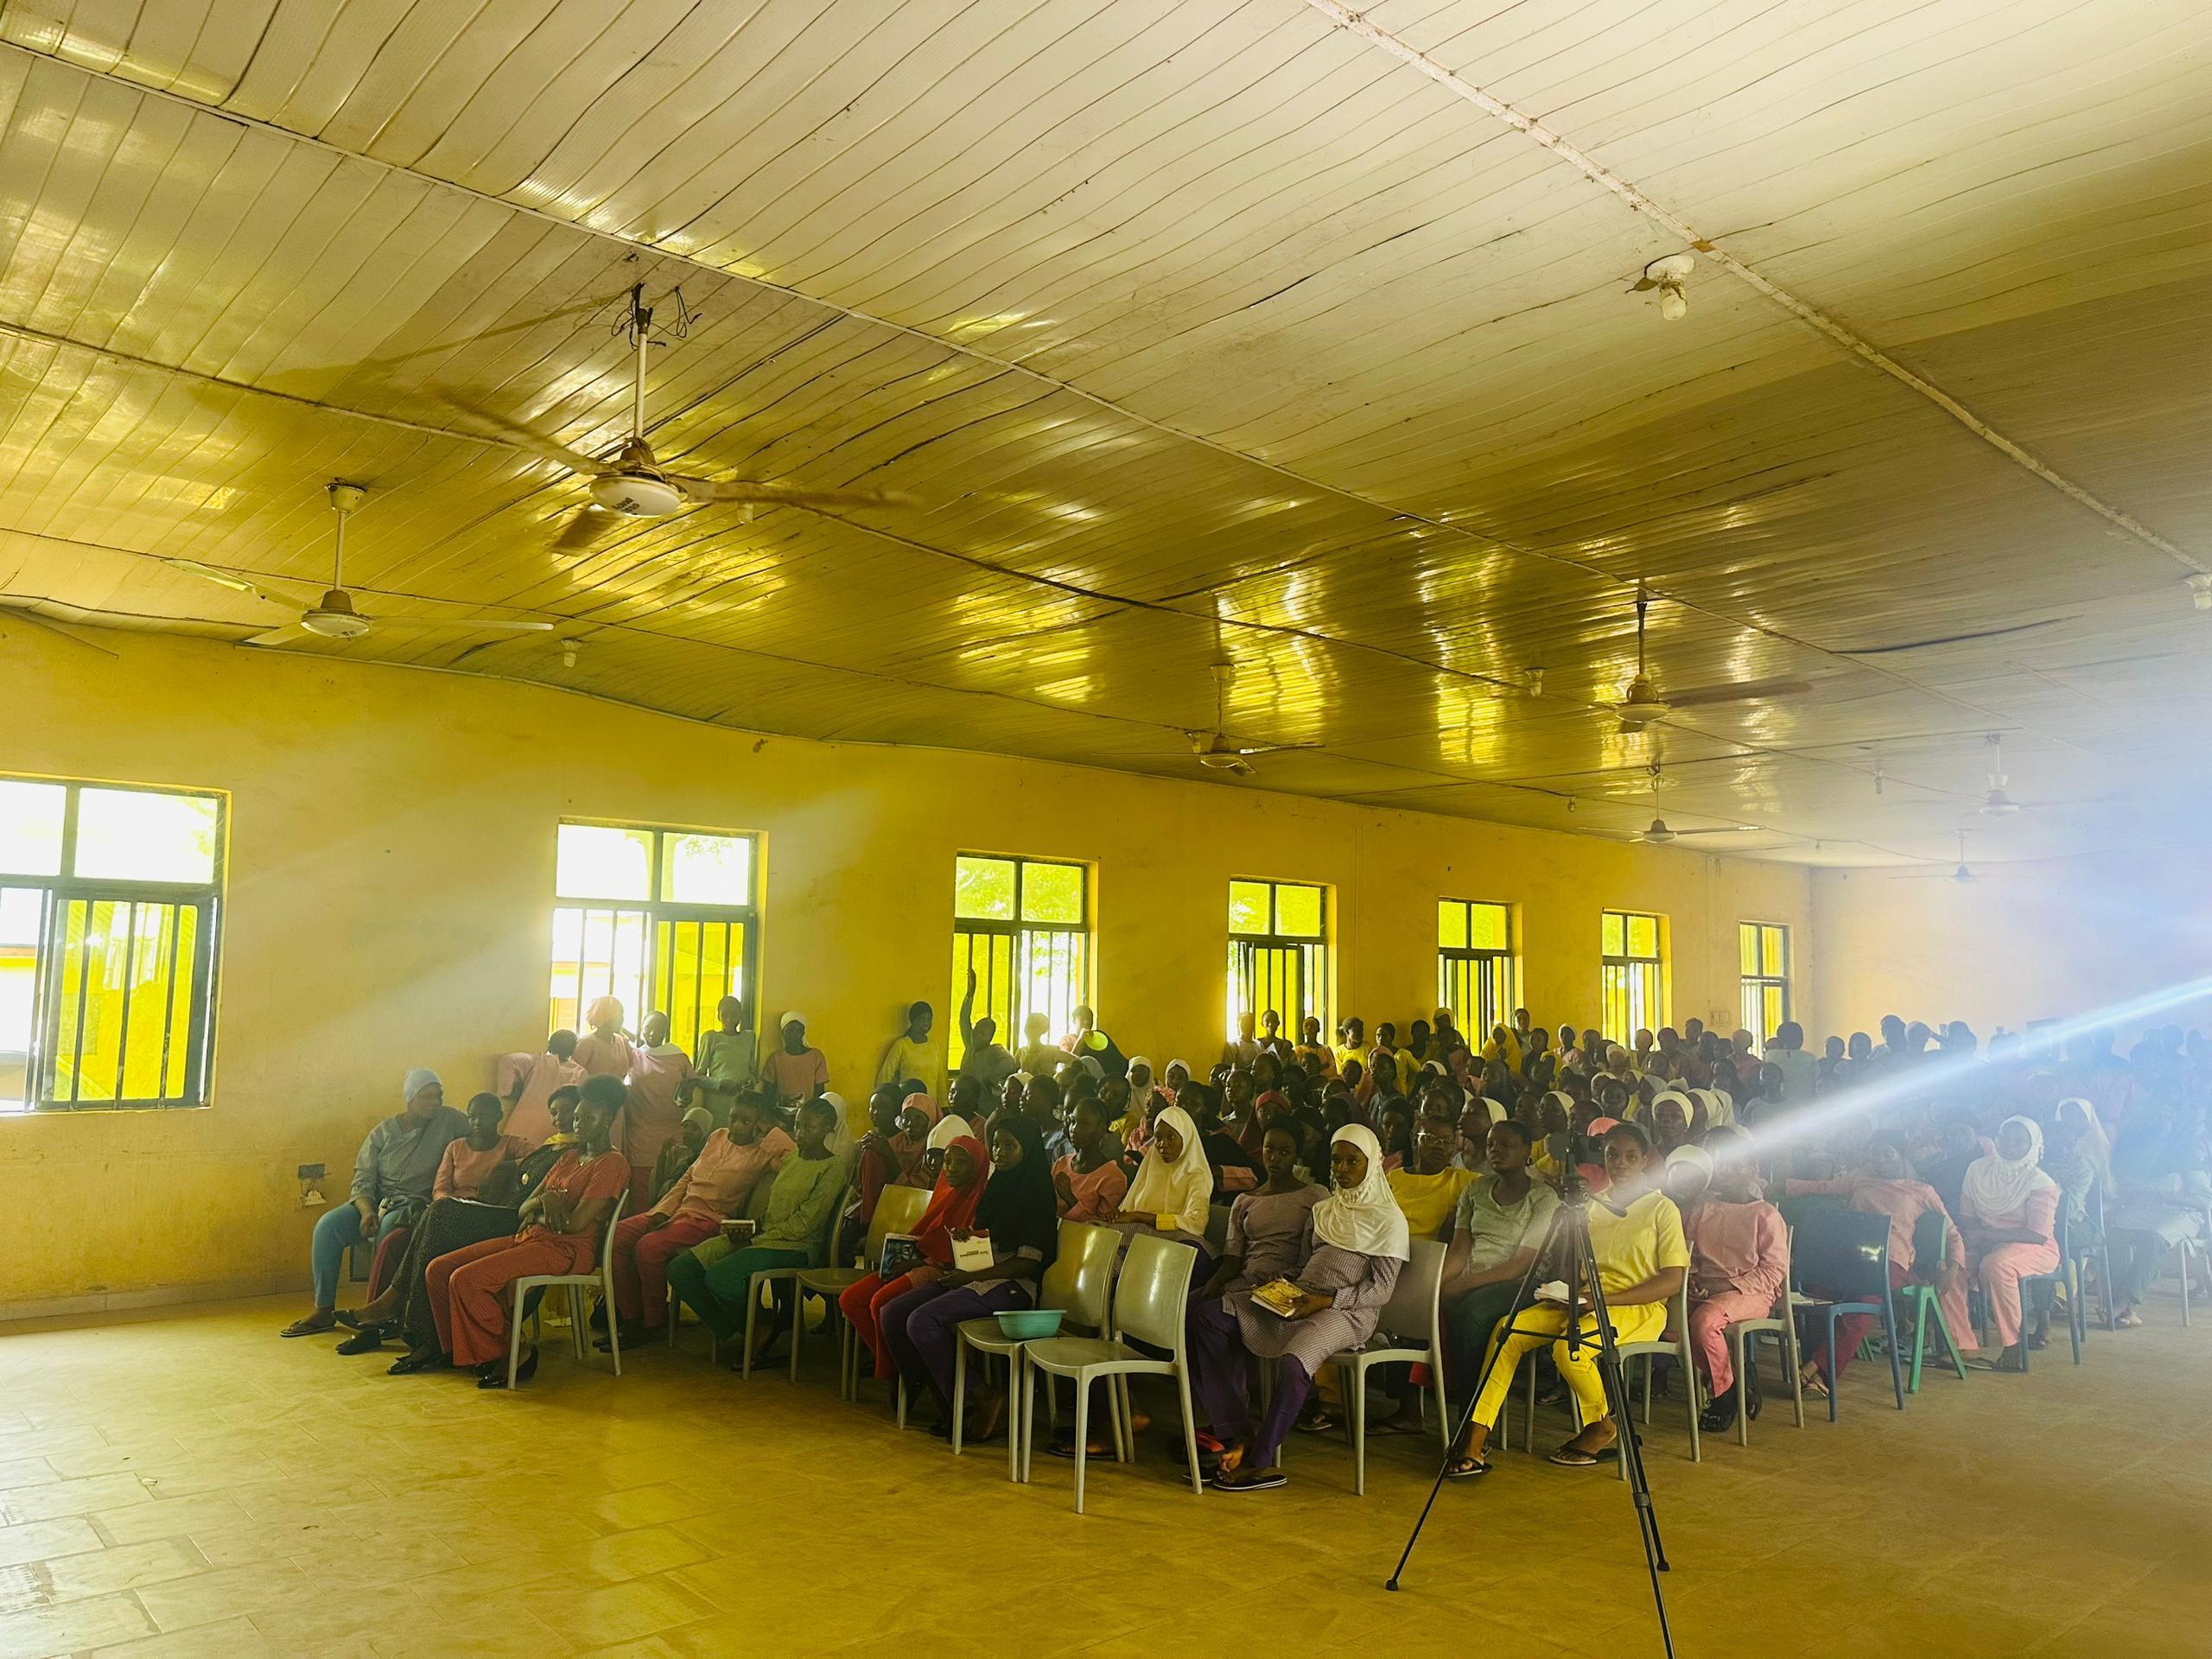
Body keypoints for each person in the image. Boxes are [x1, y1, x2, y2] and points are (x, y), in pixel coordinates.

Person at [1452, 1121, 1688, 1473]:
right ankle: (1475, 1437)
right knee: (1506, 1332)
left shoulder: (1662, 1208)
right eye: (1613, 1155)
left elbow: (1672, 1281)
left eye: (1630, 1157)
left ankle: (1601, 1424)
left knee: (1570, 1348)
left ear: (1644, 1161)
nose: (1620, 1164)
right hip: (1584, 1300)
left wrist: (1600, 1302)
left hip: (1637, 1307)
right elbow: (1576, 1268)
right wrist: (1563, 1293)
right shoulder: (1592, 1205)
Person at [1191, 1124, 1408, 1491]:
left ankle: (1259, 1460)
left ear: (1372, 1164)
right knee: (1210, 1316)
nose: (1341, 1169)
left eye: (1352, 1161)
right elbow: (1306, 1262)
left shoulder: (1389, 1219)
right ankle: (1237, 1433)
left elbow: (1382, 1290)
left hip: (1347, 1312)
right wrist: (1282, 1282)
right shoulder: (1325, 1210)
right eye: (1336, 1160)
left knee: (1294, 1364)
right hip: (1304, 1295)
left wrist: (1327, 1301)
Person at [349, 1088, 586, 1365]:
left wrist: (511, 1171)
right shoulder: (550, 1146)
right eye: (554, 1112)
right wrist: (505, 1172)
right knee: (422, 1225)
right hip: (484, 1210)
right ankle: (419, 1329)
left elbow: (547, 1193)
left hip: (511, 1219)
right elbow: (445, 1187)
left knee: (440, 1214)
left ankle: (401, 1310)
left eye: (568, 1111)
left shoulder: (576, 1153)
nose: (560, 1118)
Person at [423, 1075, 631, 1388]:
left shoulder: (612, 1163)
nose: (578, 1124)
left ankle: (512, 1353)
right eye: (576, 1117)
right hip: (530, 1238)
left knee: (466, 1280)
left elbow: (574, 1224)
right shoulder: (569, 1157)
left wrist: (541, 1212)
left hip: (567, 1250)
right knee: (438, 1270)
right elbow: (524, 1208)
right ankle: (463, 1351)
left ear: (608, 1120)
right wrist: (545, 1201)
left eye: (588, 1118)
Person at [890, 1114, 1064, 1440]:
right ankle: (948, 1400)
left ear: (1027, 1149)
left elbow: (1027, 1263)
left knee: (922, 1321)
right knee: (894, 1313)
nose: (1000, 1152)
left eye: (1010, 1146)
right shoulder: (998, 1186)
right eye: (996, 1145)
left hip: (1013, 1286)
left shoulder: (1037, 1194)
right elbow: (990, 1239)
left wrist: (972, 1276)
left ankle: (980, 1396)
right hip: (978, 1275)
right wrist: (969, 1239)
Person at [282, 1069, 469, 1338]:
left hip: (413, 1205)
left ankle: (381, 1315)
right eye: (426, 1097)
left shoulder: (450, 1121)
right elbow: (363, 1178)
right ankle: (323, 1310)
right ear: (410, 1098)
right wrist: (367, 1211)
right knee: (327, 1227)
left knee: (389, 1232)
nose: (435, 1102)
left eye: (438, 1096)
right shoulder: (383, 1133)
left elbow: (480, 1135)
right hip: (376, 1202)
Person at [602, 1092, 795, 1345]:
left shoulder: (764, 1151)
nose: (737, 1126)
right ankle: (631, 1316)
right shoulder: (717, 1136)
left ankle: (654, 1320)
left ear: (761, 1123)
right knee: (616, 1236)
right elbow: (688, 1177)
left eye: (746, 1121)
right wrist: (662, 1211)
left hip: (708, 1219)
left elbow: (794, 1161)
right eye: (733, 1118)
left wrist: (770, 1132)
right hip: (678, 1209)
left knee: (648, 1247)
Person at [666, 1096, 847, 1365]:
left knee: (720, 1277)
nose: (800, 1133)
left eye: (809, 1128)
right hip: (765, 1237)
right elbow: (776, 1210)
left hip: (796, 1247)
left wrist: (755, 1239)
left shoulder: (833, 1168)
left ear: (828, 1129)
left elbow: (803, 1225)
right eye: (797, 1126)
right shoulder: (794, 1158)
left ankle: (757, 1328)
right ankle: (749, 1327)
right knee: (681, 1269)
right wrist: (750, 1228)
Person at [1439, 1119, 1560, 1445]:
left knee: (1472, 1314)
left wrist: (1465, 1284)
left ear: (1527, 1151)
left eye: (1508, 1145)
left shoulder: (1543, 1197)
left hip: (1523, 1283)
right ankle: (1413, 1406)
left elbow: (1522, 1263)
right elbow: (1460, 1248)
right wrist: (1439, 1284)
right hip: (1475, 1279)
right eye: (1492, 1144)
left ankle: (1471, 1421)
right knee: (1427, 1302)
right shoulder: (1476, 1189)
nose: (1496, 1150)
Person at [837, 1133, 988, 1386]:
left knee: (880, 1302)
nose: (951, 1168)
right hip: (922, 1262)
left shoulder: (983, 1202)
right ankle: (899, 1364)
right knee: (851, 1299)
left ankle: (898, 1375)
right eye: (948, 1161)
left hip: (944, 1273)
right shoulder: (945, 1192)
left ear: (978, 1166)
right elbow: (925, 1237)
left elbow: (961, 1258)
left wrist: (917, 1262)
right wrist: (901, 1256)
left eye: (961, 1163)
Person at [1681, 1128, 1786, 1432]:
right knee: (1670, 1323)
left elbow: (1774, 1270)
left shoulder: (1765, 1214)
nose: (1725, 1171)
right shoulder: (1701, 1209)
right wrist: (1691, 1279)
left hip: (1750, 1292)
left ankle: (1724, 1395)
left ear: (1752, 1168)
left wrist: (1728, 1286)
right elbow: (1687, 1256)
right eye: (1720, 1164)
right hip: (1706, 1290)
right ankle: (1735, 1376)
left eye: (1735, 1164)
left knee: (1703, 1323)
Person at [1955, 1116, 2061, 1373]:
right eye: (2003, 1136)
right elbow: (1967, 1217)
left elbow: (2037, 1234)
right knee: (1953, 1263)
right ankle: (1960, 1342)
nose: (2008, 1144)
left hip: (2034, 1248)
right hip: (1987, 1243)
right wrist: (1976, 1241)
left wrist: (1984, 1237)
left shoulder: (2040, 1181)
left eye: (2019, 1141)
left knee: (1997, 1266)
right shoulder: (1977, 1169)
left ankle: (2014, 1344)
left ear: (2032, 1145)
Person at [1113, 1103, 1216, 1264]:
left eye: (1171, 1137)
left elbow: (1197, 1224)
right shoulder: (1151, 1165)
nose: (1163, 1144)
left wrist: (1141, 1216)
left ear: (1186, 1137)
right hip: (1140, 1235)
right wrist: (1116, 1216)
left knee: (1189, 1253)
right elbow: (1129, 1209)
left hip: (1175, 1240)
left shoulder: (1197, 1175)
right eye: (1158, 1138)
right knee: (1097, 1229)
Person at [618, 1011, 693, 1201]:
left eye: (658, 1029)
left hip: (670, 1131)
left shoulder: (679, 1057)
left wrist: (685, 1098)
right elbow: (616, 1032)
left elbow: (689, 1086)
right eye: (647, 1028)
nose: (652, 1033)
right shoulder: (634, 1055)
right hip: (639, 1131)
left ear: (666, 1031)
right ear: (641, 1029)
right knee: (640, 1188)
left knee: (668, 1186)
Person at [1387, 1116, 1474, 1241]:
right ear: (1415, 1140)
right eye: (1430, 1139)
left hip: (1433, 1249)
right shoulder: (1394, 1177)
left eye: (1446, 1142)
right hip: (1391, 1245)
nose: (1439, 1146)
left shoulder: (1462, 1179)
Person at [1053, 1095, 1130, 1222]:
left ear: (1101, 1130)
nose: (1074, 1129)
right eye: (1073, 1122)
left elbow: (1102, 1226)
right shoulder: (1061, 1163)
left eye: (1084, 1124)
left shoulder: (1112, 1177)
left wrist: (1070, 1198)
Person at [501, 1031, 582, 1149]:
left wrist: (507, 1091)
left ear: (550, 1044)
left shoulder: (537, 1060)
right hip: (553, 1127)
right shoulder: (580, 1072)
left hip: (522, 1123)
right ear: (574, 1049)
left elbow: (508, 1060)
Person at [689, 996, 758, 1127]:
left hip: (742, 1103)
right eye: (725, 1014)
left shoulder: (749, 1038)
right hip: (717, 1103)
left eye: (734, 1014)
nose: (729, 1018)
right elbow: (698, 1077)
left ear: (741, 1015)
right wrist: (720, 1084)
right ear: (718, 1016)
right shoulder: (711, 1038)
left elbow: (753, 1072)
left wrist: (751, 1081)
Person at [955, 970, 1019, 1097]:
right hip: (965, 1099)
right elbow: (963, 1019)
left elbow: (1009, 1061)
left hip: (984, 1102)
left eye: (983, 1033)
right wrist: (970, 993)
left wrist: (990, 1079)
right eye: (976, 1031)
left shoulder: (994, 1051)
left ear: (990, 1038)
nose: (977, 1035)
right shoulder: (970, 1046)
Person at [877, 1001, 946, 1103]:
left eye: (929, 1019)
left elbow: (940, 1078)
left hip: (930, 1103)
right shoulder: (902, 1045)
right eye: (922, 1019)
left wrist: (944, 1103)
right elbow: (886, 1075)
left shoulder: (933, 1045)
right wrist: (882, 1099)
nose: (926, 1023)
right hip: (908, 1102)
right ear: (912, 1020)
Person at [760, 1012, 830, 1108]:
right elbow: (768, 1093)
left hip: (807, 1112)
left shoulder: (816, 1056)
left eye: (798, 1031)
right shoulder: (776, 1058)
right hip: (781, 1111)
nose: (794, 1035)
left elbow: (819, 1092)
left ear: (803, 1033)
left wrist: (811, 1111)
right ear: (783, 1033)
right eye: (790, 1030)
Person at [652, 1107, 712, 1203]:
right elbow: (658, 1183)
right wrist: (663, 1155)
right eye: (685, 1126)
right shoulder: (675, 1153)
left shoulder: (707, 1158)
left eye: (694, 1128)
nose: (687, 1131)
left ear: (704, 1132)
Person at [572, 997, 636, 1078]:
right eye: (618, 1015)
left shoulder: (621, 1041)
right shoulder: (586, 1043)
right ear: (605, 1019)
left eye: (622, 1014)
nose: (622, 1019)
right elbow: (575, 1076)